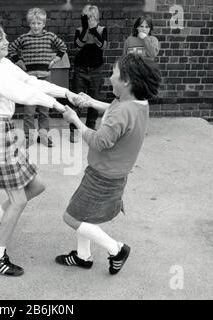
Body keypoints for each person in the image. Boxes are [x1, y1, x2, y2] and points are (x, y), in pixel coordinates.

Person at [0, 19, 77, 276]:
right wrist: (57, 107)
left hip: (4, 133)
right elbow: (19, 93)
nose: (6, 42)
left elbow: (30, 82)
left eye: (4, 37)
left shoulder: (0, 62)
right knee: (19, 199)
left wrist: (65, 94)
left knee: (36, 186)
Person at [57, 53, 161, 275]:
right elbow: (116, 110)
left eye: (113, 72)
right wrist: (91, 102)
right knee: (83, 214)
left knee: (72, 217)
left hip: (102, 177)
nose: (110, 76)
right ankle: (83, 256)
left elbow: (99, 141)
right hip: (112, 174)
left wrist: (75, 120)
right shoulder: (136, 103)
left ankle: (116, 249)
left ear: (126, 81)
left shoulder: (122, 110)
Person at [8, 7, 67, 148]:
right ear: (29, 23)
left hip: (45, 78)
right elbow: (11, 49)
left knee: (44, 110)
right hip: (29, 80)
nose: (36, 26)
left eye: (39, 23)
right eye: (33, 23)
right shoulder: (24, 38)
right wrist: (19, 62)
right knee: (29, 111)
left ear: (44, 24)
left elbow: (63, 48)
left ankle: (44, 136)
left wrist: (54, 61)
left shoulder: (50, 37)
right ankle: (28, 137)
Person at [69, 4, 107, 143]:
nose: (90, 20)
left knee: (94, 100)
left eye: (92, 17)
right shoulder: (80, 30)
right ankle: (74, 130)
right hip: (80, 69)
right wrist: (86, 29)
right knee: (77, 100)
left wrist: (94, 30)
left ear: (97, 18)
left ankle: (90, 128)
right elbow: (78, 44)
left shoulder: (102, 30)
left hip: (96, 70)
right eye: (87, 17)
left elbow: (103, 46)